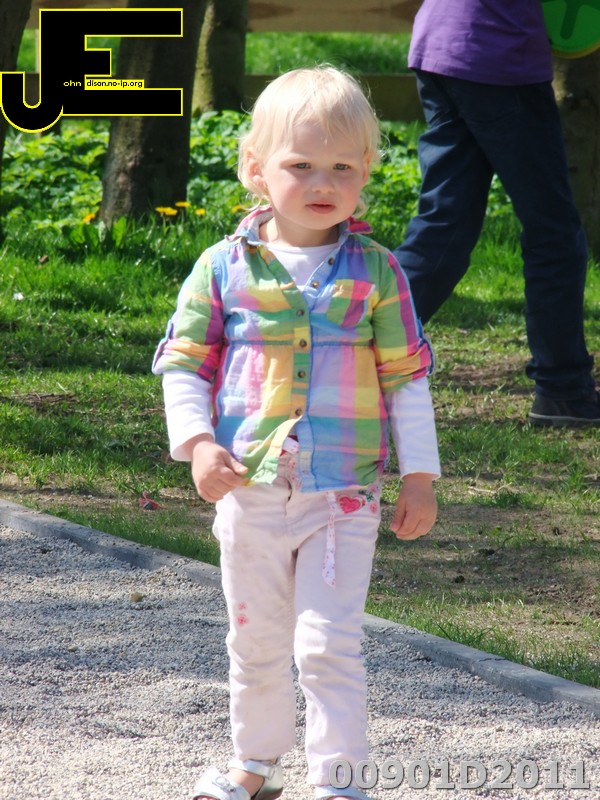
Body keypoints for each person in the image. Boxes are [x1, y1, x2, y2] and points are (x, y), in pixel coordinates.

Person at [153, 65, 440, 800]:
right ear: (256, 169)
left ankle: (340, 779)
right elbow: (184, 361)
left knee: (327, 643)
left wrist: (420, 476)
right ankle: (255, 764)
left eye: (341, 167)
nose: (322, 182)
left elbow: (406, 376)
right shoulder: (221, 268)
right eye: (300, 164)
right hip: (248, 491)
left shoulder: (378, 273)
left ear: (366, 170)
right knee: (254, 638)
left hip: (342, 496)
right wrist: (198, 443)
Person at [394, 0, 599, 427]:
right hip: (500, 52)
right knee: (554, 233)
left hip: (442, 38)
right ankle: (562, 389)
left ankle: (345, 351)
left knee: (444, 226)